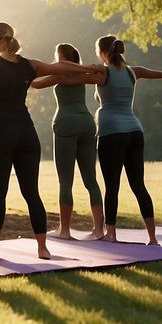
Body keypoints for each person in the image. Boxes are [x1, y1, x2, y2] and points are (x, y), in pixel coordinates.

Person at [0, 22, 97, 262]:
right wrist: (87, 67)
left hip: (1, 133)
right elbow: (59, 67)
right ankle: (43, 249)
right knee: (31, 192)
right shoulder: (29, 65)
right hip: (26, 133)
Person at [93, 35, 162, 245]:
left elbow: (75, 75)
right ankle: (152, 237)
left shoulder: (102, 72)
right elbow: (159, 74)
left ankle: (111, 234)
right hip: (135, 131)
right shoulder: (132, 72)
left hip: (112, 134)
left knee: (112, 186)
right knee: (138, 186)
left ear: (103, 53)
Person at [30, 42, 104, 240]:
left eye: (57, 56)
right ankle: (99, 230)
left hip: (65, 124)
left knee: (65, 181)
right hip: (87, 123)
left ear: (62, 58)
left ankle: (65, 231)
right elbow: (102, 77)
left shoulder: (58, 75)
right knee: (91, 180)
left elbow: (35, 84)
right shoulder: (83, 76)